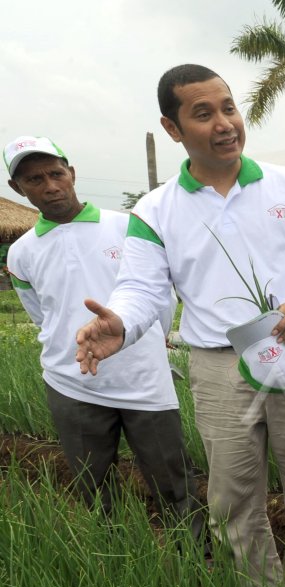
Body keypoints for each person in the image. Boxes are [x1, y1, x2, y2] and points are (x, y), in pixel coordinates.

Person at [75, 64, 285, 587]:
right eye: (203, 113)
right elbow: (143, 289)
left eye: (229, 107)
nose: (224, 123)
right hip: (220, 369)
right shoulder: (156, 210)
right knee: (233, 500)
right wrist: (119, 324)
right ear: (172, 129)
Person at [5, 136, 203, 548]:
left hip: (144, 379)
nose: (51, 185)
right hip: (72, 383)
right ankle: (112, 558)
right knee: (91, 483)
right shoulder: (21, 253)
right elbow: (42, 315)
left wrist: (146, 343)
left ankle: (196, 556)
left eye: (57, 174)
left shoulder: (127, 227)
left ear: (72, 174)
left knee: (172, 480)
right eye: (34, 179)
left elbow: (159, 299)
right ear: (17, 188)